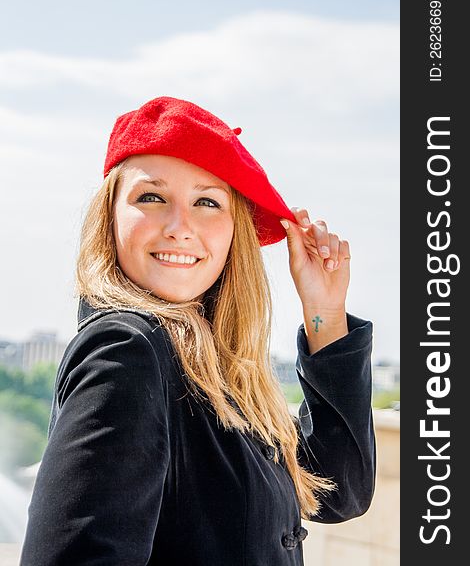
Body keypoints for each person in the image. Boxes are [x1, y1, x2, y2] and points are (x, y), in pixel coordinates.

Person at [20, 96, 375, 566]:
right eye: (152, 197)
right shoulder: (126, 351)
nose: (179, 226)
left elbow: (338, 491)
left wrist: (325, 311)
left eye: (207, 202)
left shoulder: (213, 366)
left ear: (234, 233)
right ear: (109, 219)